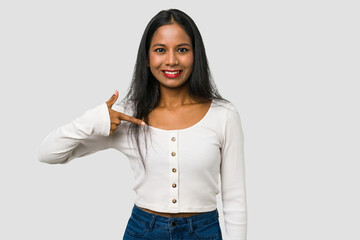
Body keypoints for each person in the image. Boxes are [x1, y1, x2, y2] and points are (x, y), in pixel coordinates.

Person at [38, 8, 247, 240]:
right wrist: (94, 120)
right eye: (160, 50)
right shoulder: (127, 116)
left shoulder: (224, 114)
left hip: (204, 231)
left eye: (182, 49)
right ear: (147, 58)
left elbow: (235, 198)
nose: (171, 60)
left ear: (196, 55)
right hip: (144, 231)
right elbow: (48, 153)